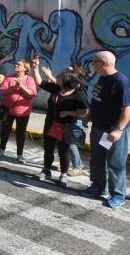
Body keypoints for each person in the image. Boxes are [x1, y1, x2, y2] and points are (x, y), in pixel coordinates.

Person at [82, 51, 130, 208]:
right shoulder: (102, 78)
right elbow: (97, 99)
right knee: (97, 160)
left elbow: (129, 108)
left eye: (94, 61)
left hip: (111, 131)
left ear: (104, 63)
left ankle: (118, 195)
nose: (92, 64)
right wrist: (88, 115)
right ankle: (98, 187)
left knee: (115, 163)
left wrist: (118, 129)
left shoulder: (120, 81)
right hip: (99, 127)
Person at [31, 59, 89, 187]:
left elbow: (85, 111)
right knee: (48, 148)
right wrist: (35, 67)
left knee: (64, 151)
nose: (57, 78)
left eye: (60, 78)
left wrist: (69, 113)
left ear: (67, 81)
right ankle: (46, 170)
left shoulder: (78, 94)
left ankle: (63, 175)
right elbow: (39, 82)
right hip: (50, 123)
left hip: (66, 126)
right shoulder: (56, 89)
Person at [0, 60, 37, 162]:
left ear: (25, 68)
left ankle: (20, 154)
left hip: (23, 111)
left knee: (21, 133)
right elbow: (3, 91)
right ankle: (1, 150)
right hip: (8, 109)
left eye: (19, 64)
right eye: (16, 64)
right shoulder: (9, 77)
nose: (16, 65)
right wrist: (14, 87)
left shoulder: (30, 79)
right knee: (5, 131)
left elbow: (32, 94)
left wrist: (21, 86)